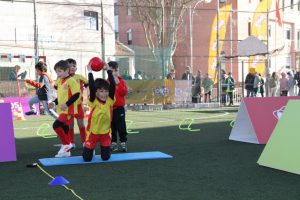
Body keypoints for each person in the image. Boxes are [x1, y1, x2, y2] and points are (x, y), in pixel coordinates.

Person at [82, 62, 116, 162]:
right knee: (87, 159)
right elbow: (92, 87)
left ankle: (104, 149)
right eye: (101, 91)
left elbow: (113, 85)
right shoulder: (93, 101)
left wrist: (108, 70)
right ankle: (89, 148)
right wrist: (90, 72)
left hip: (105, 134)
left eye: (106, 91)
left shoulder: (110, 100)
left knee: (105, 158)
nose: (104, 94)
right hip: (93, 133)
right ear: (96, 92)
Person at [49, 60, 80, 157]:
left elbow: (76, 94)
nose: (58, 74)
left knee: (56, 125)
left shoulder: (71, 80)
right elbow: (61, 97)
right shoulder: (60, 81)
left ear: (67, 70)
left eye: (60, 71)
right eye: (57, 72)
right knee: (65, 129)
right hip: (62, 110)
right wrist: (54, 103)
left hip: (68, 111)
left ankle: (67, 144)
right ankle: (66, 152)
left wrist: (67, 104)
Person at [66, 58, 89, 148]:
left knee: (81, 123)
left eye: (74, 66)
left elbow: (88, 84)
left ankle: (84, 141)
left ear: (76, 68)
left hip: (79, 105)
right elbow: (57, 87)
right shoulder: (64, 79)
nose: (72, 67)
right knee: (70, 124)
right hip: (69, 106)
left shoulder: (79, 77)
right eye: (70, 66)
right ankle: (72, 143)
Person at [108, 61, 129, 152]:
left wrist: (117, 83)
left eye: (116, 70)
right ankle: (114, 143)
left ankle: (123, 142)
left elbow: (124, 93)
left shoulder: (121, 81)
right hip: (110, 109)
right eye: (112, 71)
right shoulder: (106, 82)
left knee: (121, 126)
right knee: (112, 127)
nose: (114, 73)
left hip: (119, 108)